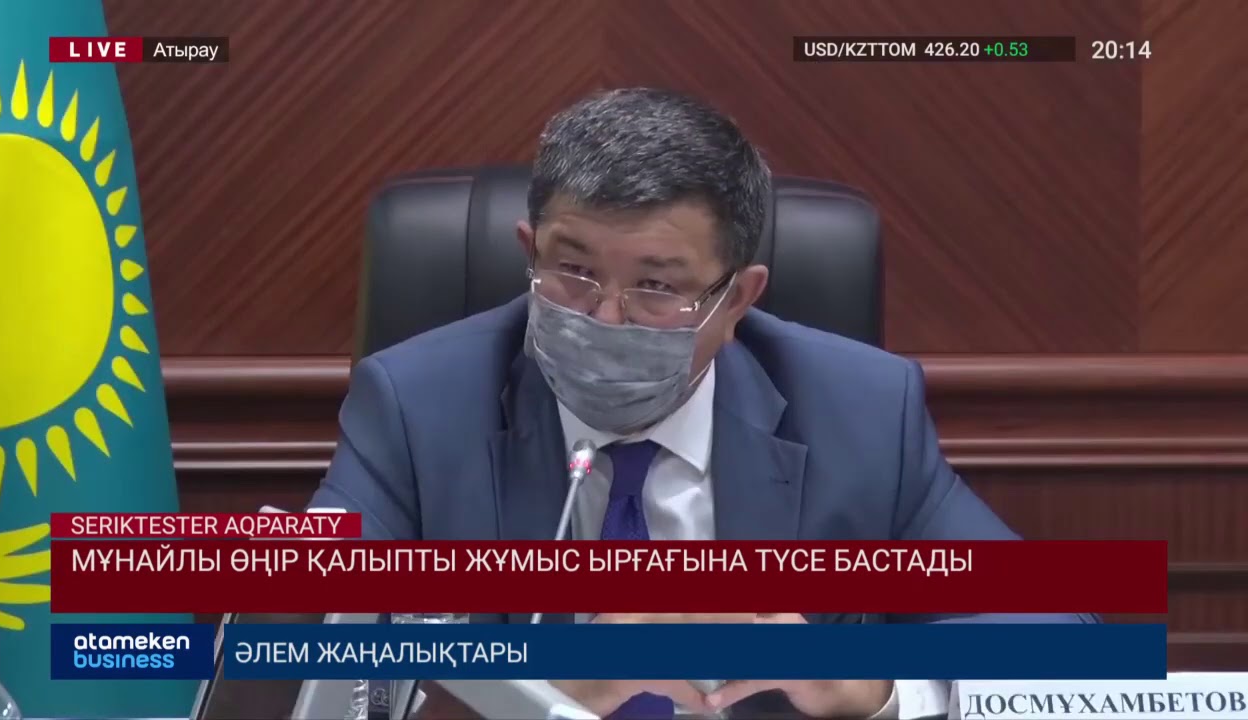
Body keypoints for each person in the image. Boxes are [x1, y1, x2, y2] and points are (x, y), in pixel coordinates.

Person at [310, 87, 1093, 719]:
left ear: (738, 298)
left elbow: (1066, 656)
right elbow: (307, 661)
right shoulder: (416, 405)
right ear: (529, 251)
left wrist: (876, 689)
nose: (605, 318)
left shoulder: (862, 412)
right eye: (572, 272)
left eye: (656, 286)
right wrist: (547, 694)